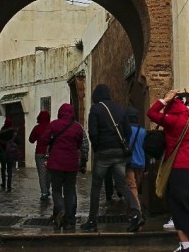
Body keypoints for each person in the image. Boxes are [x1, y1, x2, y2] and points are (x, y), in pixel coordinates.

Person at [147, 89, 189, 252]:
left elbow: (151, 113)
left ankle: (185, 246)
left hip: (177, 168)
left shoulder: (171, 120)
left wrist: (164, 100)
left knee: (177, 206)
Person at [81, 84, 142, 233]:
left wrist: (98, 148)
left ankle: (92, 220)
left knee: (96, 186)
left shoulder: (95, 109)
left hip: (104, 152)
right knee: (122, 185)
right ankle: (136, 214)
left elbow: (93, 133)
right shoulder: (120, 109)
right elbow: (127, 131)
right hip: (119, 153)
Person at [45, 103, 85, 231]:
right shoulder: (78, 127)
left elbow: (44, 138)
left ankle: (61, 209)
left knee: (56, 190)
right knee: (69, 191)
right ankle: (69, 218)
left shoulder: (54, 124)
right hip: (72, 163)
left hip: (56, 162)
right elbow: (79, 143)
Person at [125, 107, 147, 218]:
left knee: (131, 188)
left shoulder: (126, 130)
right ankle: (130, 212)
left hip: (129, 163)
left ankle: (137, 213)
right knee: (135, 187)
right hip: (141, 163)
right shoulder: (143, 131)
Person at [28, 109, 52, 201]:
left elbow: (31, 140)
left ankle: (44, 192)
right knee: (49, 173)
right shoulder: (51, 127)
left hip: (39, 153)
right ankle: (47, 188)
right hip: (50, 153)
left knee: (42, 174)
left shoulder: (37, 128)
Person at [0, 118, 19, 192]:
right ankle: (9, 185)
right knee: (9, 169)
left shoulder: (1, 133)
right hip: (10, 153)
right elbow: (18, 142)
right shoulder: (13, 133)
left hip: (2, 153)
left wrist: (1, 150)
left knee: (3, 168)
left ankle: (3, 183)